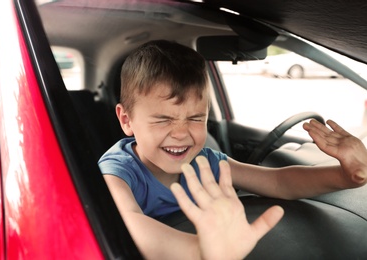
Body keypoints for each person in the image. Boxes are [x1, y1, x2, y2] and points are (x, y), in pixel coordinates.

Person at [98, 40, 367, 259]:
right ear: (126, 120)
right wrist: (201, 251)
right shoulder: (119, 170)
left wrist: (346, 177)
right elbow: (128, 223)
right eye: (162, 119)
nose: (181, 133)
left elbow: (277, 181)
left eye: (195, 119)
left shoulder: (204, 161)